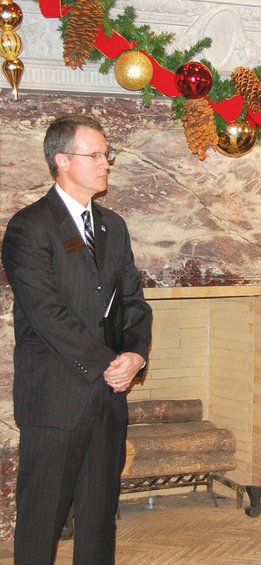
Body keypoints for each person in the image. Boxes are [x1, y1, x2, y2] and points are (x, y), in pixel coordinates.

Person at [2, 114, 152, 564]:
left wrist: (135, 355)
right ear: (62, 160)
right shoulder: (29, 227)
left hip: (107, 399)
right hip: (55, 398)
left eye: (108, 155)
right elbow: (47, 314)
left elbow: (133, 302)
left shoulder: (114, 226)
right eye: (96, 155)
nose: (106, 164)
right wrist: (109, 363)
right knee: (41, 522)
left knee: (98, 519)